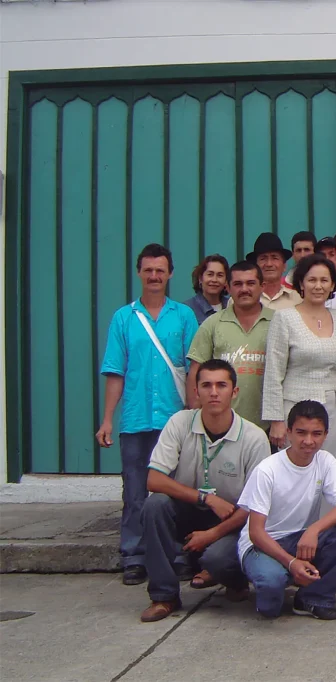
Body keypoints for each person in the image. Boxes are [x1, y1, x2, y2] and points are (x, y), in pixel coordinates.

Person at [97, 244, 199, 586]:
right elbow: (116, 371)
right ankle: (134, 556)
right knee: (135, 491)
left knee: (178, 489)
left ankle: (177, 553)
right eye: (148, 270)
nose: (154, 276)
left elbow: (191, 368)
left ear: (170, 274)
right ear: (139, 273)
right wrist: (108, 419)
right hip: (136, 420)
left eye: (161, 270)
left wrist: (193, 412)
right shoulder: (123, 318)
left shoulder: (183, 316)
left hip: (174, 420)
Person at [139, 360, 270, 622]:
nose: (213, 392)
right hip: (190, 507)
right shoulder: (180, 423)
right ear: (196, 392)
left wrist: (210, 535)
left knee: (218, 559)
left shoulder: (254, 438)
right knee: (155, 506)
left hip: (232, 518)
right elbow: (154, 480)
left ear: (234, 392)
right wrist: (206, 498)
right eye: (206, 385)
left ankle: (236, 581)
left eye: (221, 385)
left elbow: (255, 507)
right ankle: (164, 596)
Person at [237, 400, 336, 620]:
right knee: (270, 603)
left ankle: (313, 598)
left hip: (301, 538)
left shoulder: (325, 461)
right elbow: (255, 532)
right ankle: (270, 578)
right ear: (288, 433)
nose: (308, 441)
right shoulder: (267, 470)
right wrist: (291, 562)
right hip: (264, 544)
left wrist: (313, 530)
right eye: (301, 432)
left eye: (316, 434)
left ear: (325, 435)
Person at [263, 254, 336, 466]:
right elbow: (273, 372)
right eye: (312, 280)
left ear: (332, 285)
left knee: (330, 470)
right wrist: (276, 420)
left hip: (334, 410)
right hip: (295, 410)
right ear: (301, 283)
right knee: (295, 472)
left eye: (324, 280)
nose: (318, 286)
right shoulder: (284, 317)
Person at [186, 261, 275, 429]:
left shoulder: (278, 321)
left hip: (268, 426)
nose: (244, 289)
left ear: (262, 286)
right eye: (237, 284)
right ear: (227, 287)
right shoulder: (212, 324)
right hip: (221, 425)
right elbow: (195, 372)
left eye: (250, 283)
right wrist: (196, 413)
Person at [247, 233, 301, 310]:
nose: (269, 264)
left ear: (284, 266)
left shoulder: (298, 299)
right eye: (263, 258)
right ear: (255, 266)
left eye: (274, 258)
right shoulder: (242, 299)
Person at [184, 254, 230, 323]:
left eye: (220, 275)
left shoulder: (233, 307)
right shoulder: (186, 309)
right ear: (200, 279)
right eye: (210, 274)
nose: (214, 280)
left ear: (226, 281)